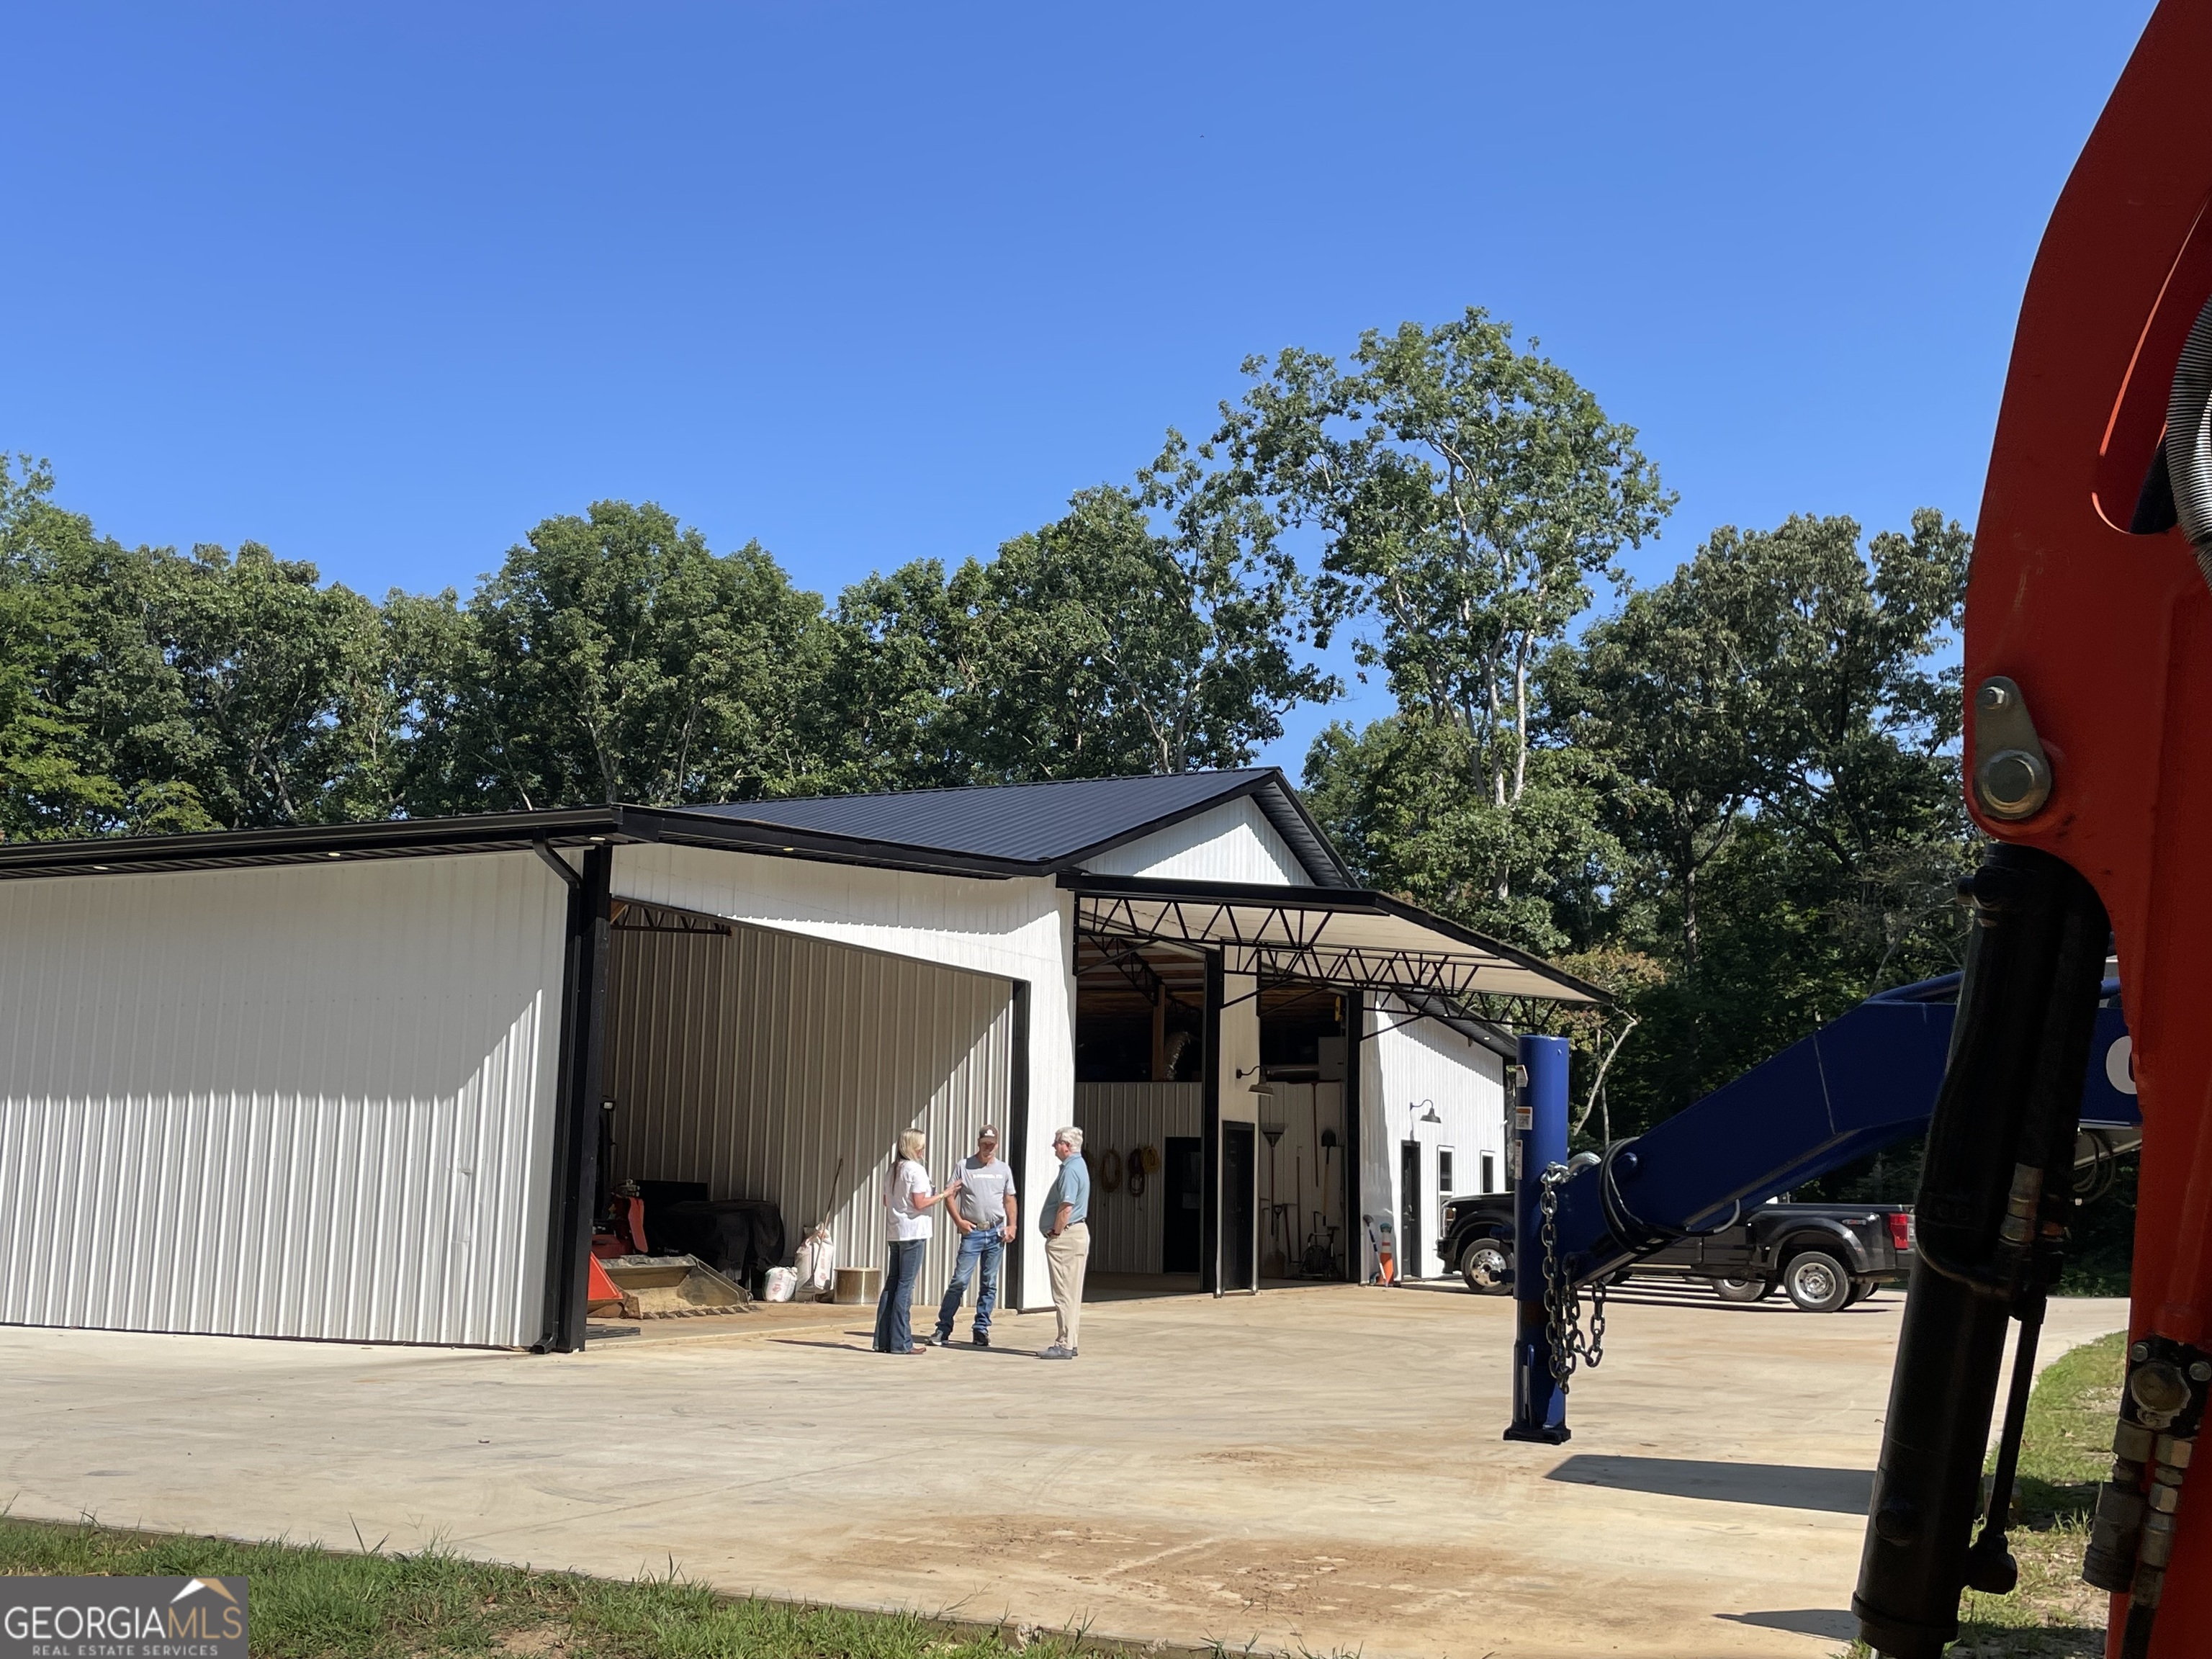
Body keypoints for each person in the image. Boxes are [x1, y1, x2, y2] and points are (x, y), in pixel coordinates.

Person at [930, 1124, 1018, 1348]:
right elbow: (950, 1195)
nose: (988, 1148)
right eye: (984, 1144)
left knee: (989, 1283)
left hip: (996, 1233)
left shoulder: (1003, 1169)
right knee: (959, 1281)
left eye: (991, 1144)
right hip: (973, 1233)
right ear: (978, 1143)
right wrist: (959, 1221)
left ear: (997, 1145)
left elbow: (1009, 1199)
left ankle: (981, 1329)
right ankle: (943, 1328)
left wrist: (1012, 1226)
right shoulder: (964, 1166)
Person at [874, 1128, 961, 1354]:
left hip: (895, 1232)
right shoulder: (916, 1170)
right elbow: (920, 1203)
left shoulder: (893, 1170)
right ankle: (901, 1342)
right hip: (914, 1232)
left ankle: (883, 1340)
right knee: (905, 1286)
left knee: (892, 1284)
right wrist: (944, 1194)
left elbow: (886, 1201)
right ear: (913, 1148)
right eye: (921, 1146)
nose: (923, 1150)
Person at [1038, 1126, 1091, 1359]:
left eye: (1057, 1142)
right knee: (1072, 1293)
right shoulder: (1079, 1165)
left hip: (1067, 1237)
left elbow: (1066, 1207)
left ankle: (1064, 1344)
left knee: (1064, 1293)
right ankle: (1071, 1341)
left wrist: (1056, 1233)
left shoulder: (1070, 1170)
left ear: (1067, 1146)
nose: (1054, 1146)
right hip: (1076, 1234)